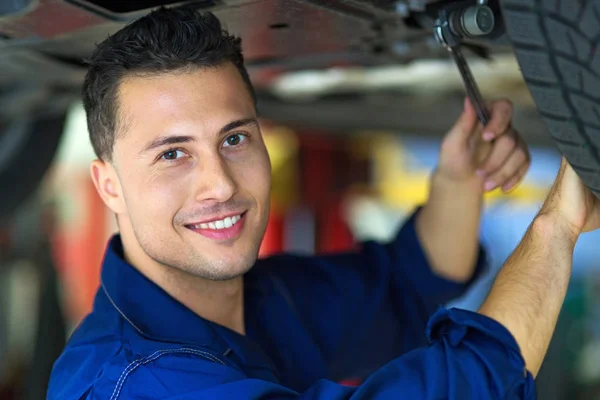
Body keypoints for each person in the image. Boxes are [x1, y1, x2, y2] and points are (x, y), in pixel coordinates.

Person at [47, 6, 573, 399]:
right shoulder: (137, 384)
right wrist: (557, 225)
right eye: (172, 154)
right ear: (108, 184)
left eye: (234, 139)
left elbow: (408, 281)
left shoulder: (254, 301)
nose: (220, 185)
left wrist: (459, 179)